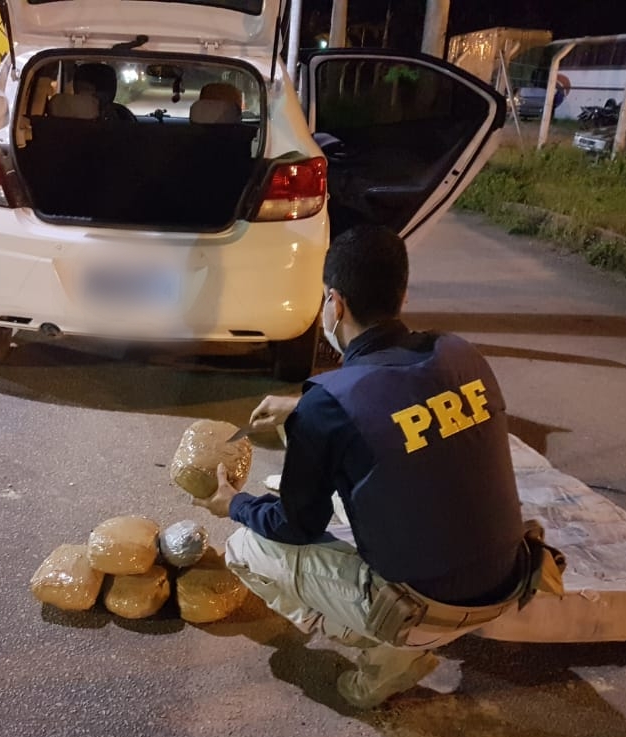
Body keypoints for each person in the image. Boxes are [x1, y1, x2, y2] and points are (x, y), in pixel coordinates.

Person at [192, 225, 538, 709]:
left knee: (247, 546)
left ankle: (389, 658)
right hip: (512, 580)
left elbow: (295, 527)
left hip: (426, 609)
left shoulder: (328, 405)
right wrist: (301, 407)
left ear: (335, 303)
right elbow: (399, 399)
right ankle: (411, 635)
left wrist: (235, 504)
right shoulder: (460, 354)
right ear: (403, 295)